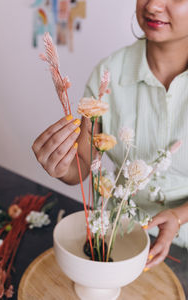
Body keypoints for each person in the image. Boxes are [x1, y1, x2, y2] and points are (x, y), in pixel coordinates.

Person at [32, 0, 188, 270]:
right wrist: (61, 164)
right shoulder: (109, 74)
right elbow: (81, 165)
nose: (152, 5)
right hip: (120, 238)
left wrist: (178, 215)